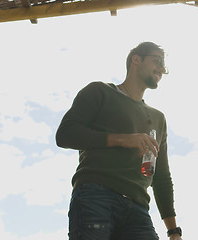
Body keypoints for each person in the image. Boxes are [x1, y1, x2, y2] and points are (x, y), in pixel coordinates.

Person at [56, 42, 182, 240]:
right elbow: (65, 134)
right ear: (136, 60)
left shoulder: (159, 118)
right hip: (95, 196)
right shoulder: (99, 91)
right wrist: (124, 140)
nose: (162, 68)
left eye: (164, 66)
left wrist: (173, 231)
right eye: (157, 61)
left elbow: (161, 176)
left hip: (138, 210)